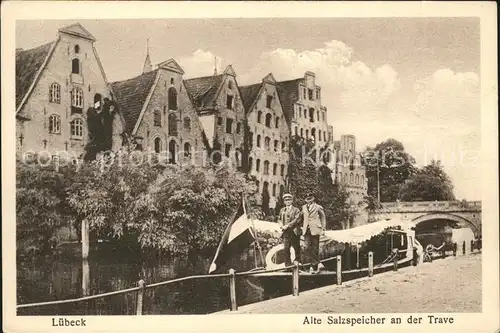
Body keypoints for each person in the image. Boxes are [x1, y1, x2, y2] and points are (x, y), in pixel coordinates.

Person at [301, 192, 326, 274]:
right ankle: (317, 263)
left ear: (313, 198)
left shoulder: (318, 207)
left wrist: (323, 229)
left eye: (310, 198)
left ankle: (313, 266)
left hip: (315, 229)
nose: (308, 200)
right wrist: (300, 226)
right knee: (307, 247)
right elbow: (301, 218)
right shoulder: (303, 207)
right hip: (306, 230)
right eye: (307, 199)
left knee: (315, 247)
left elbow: (323, 217)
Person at [278, 193, 303, 268]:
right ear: (284, 202)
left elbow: (297, 220)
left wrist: (287, 225)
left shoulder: (296, 210)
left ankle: (298, 263)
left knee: (296, 248)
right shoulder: (282, 210)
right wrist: (281, 225)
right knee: (286, 249)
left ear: (292, 201)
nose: (288, 201)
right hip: (285, 232)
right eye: (286, 200)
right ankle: (287, 266)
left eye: (289, 200)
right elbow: (279, 219)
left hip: (294, 231)